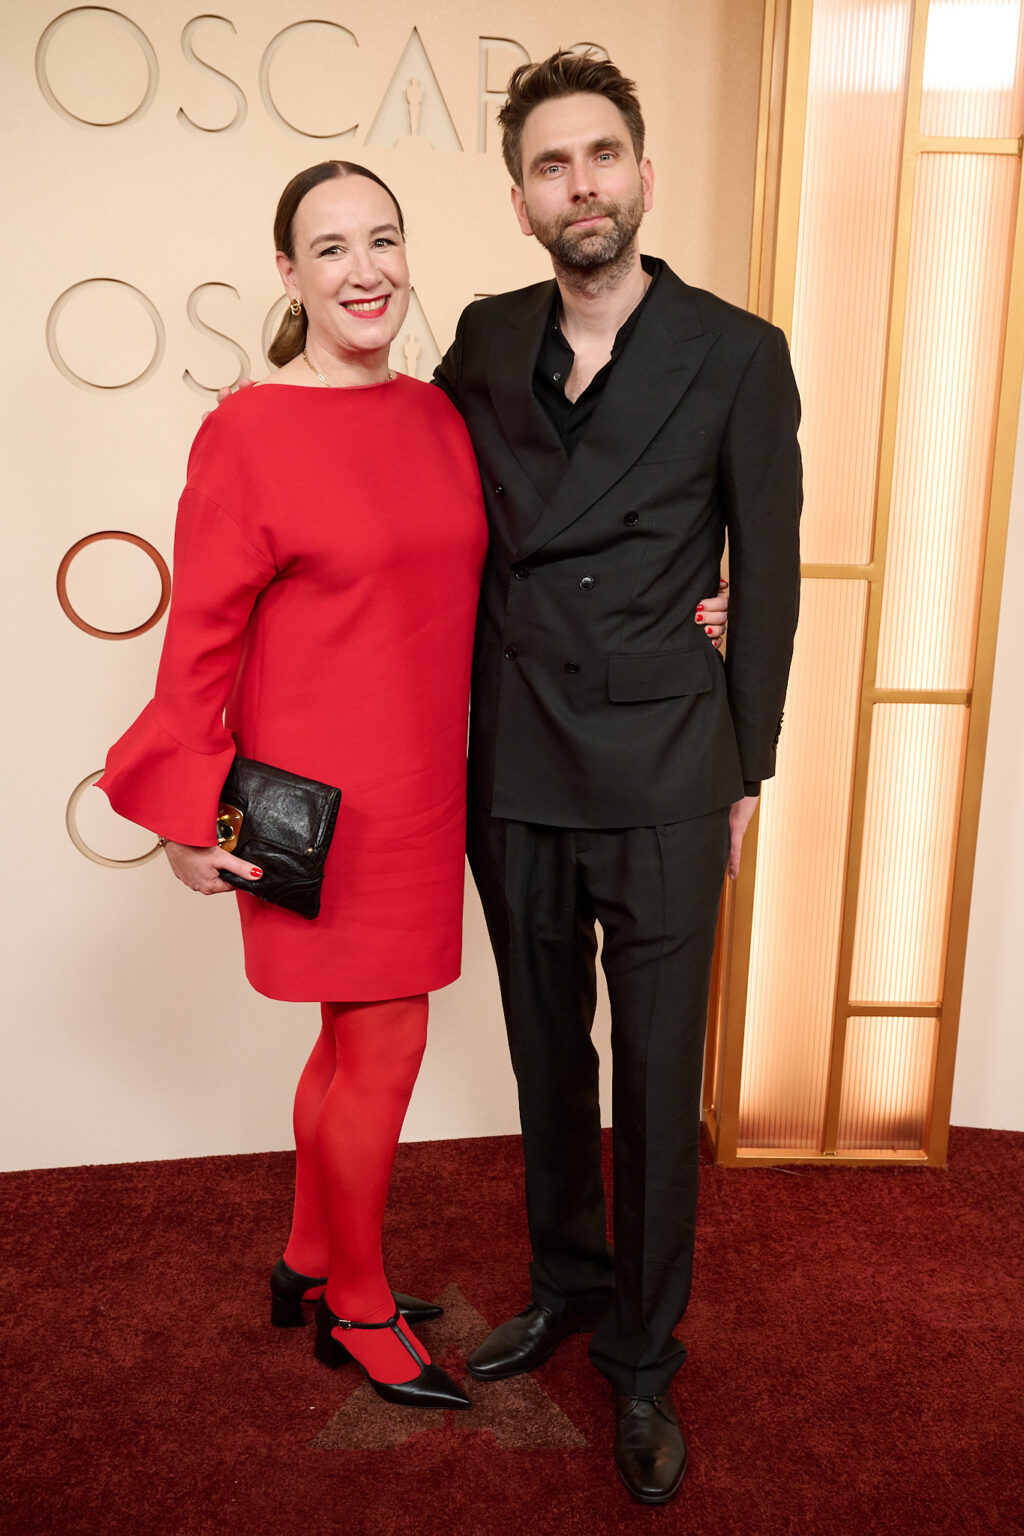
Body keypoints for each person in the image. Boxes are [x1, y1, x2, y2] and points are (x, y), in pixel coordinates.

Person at [433, 52, 802, 1502]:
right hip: (514, 757)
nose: (578, 184)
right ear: (521, 195)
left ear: (642, 174)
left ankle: (645, 1361)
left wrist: (747, 760)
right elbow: (431, 511)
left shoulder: (736, 348)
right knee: (546, 1056)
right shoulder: (482, 333)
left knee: (653, 1080)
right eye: (549, 164)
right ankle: (567, 1282)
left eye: (600, 157)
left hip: (663, 766)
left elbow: (764, 570)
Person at [99, 161, 489, 1413]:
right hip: (317, 807)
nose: (364, 269)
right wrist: (182, 809)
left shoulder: (439, 415)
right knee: (384, 1046)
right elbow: (198, 641)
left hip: (426, 790)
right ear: (288, 276)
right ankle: (356, 1309)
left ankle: (307, 1259)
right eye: (331, 250)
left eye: (382, 241)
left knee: (350, 1041)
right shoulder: (248, 429)